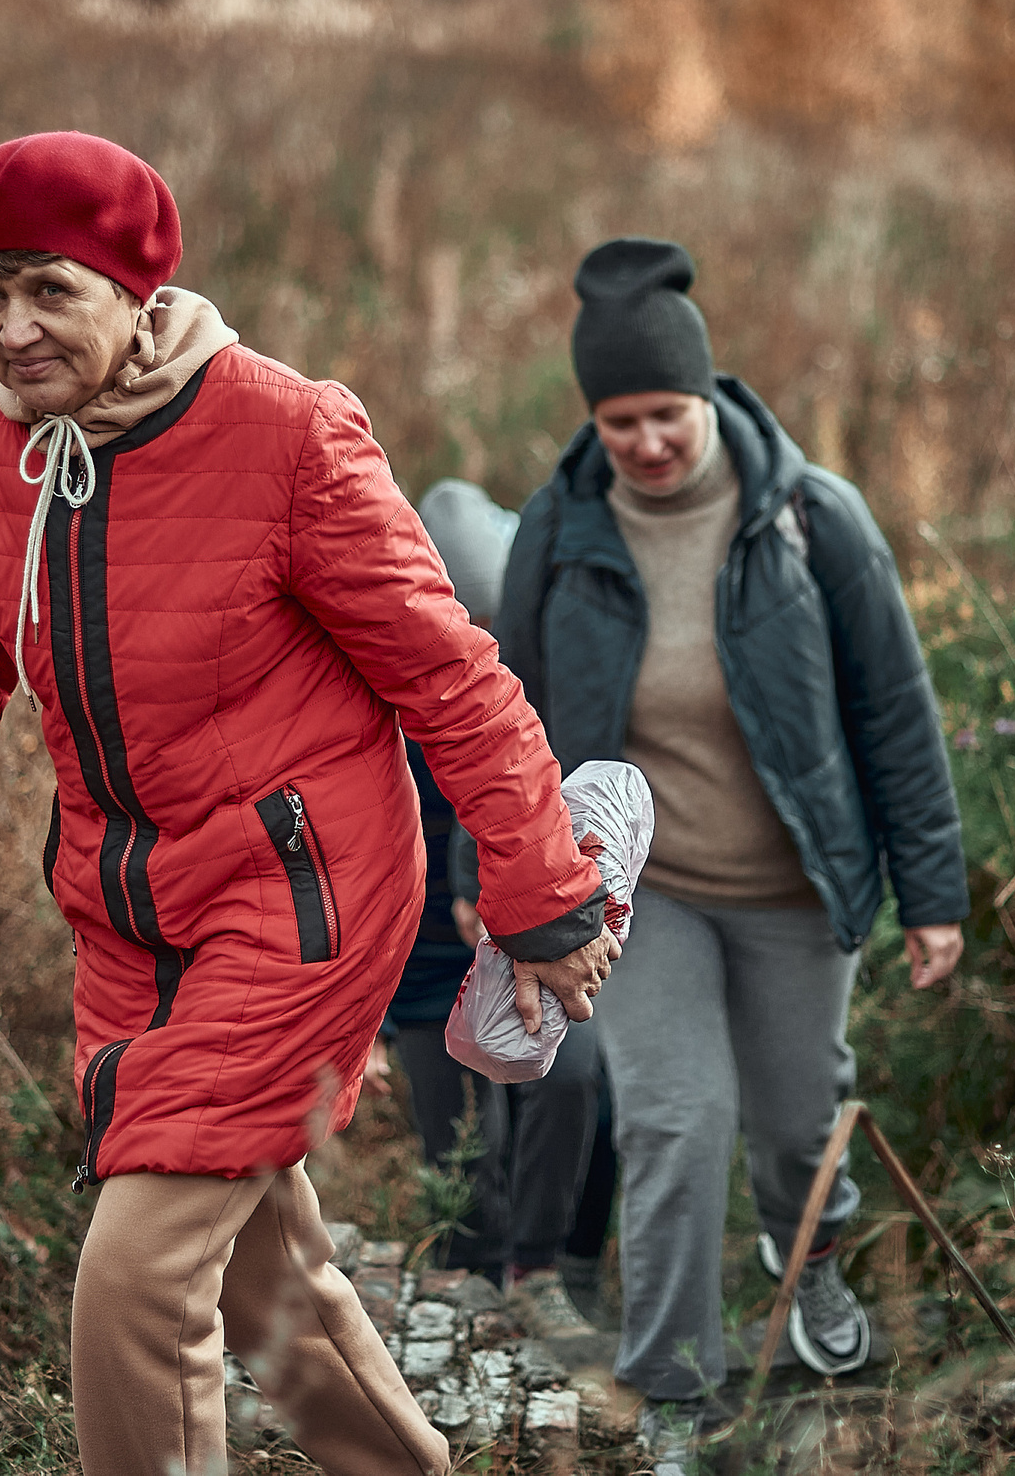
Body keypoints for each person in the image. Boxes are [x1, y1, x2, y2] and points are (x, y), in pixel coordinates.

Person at [0, 132, 622, 1476]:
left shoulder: (286, 432)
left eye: (50, 289)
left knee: (139, 1277)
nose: (12, 328)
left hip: (304, 904)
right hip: (127, 920)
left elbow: (451, 676)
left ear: (134, 290)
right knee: (267, 1284)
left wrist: (543, 894)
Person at [494, 238, 968, 1465]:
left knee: (800, 1123)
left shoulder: (812, 517)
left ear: (706, 394)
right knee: (674, 1114)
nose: (648, 441)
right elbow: (502, 721)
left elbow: (895, 711)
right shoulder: (560, 529)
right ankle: (673, 1384)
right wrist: (484, 883)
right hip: (641, 889)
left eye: (668, 412)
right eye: (620, 421)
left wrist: (932, 892)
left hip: (796, 885)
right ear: (593, 418)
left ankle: (810, 1257)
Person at [369, 481, 609, 1365]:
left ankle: (542, 1270)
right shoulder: (373, 694)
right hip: (425, 966)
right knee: (466, 1154)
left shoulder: (531, 688)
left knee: (571, 1083)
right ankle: (475, 1302)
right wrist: (366, 1015)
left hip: (529, 942)